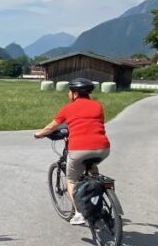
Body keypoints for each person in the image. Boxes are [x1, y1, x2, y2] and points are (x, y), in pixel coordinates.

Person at [34, 78, 110, 225]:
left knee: (71, 180)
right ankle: (96, 185)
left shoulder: (68, 108)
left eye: (69, 92)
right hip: (103, 148)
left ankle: (80, 213)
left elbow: (52, 127)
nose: (68, 94)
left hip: (79, 149)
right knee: (92, 164)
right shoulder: (97, 106)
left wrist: (39, 134)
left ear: (75, 94)